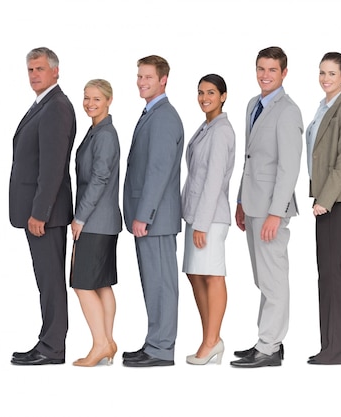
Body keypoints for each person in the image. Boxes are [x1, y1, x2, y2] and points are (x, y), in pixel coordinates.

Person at [230, 46, 303, 368]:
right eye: (261, 68)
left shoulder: (288, 111)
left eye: (272, 70)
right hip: (254, 203)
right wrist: (242, 201)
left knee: (274, 279)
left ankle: (270, 347)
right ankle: (266, 339)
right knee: (262, 278)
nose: (265, 75)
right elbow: (249, 159)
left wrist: (276, 212)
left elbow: (289, 166)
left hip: (273, 208)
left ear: (284, 73)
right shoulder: (252, 105)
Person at [10, 47, 76, 365]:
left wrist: (40, 212)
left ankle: (52, 348)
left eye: (39, 69)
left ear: (55, 71)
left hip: (45, 216)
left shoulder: (56, 107)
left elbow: (52, 167)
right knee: (46, 280)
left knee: (50, 281)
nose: (34, 75)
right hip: (39, 212)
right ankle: (48, 341)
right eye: (30, 70)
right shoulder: (43, 105)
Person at [122, 55, 184, 367]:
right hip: (151, 218)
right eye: (139, 76)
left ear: (163, 80)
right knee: (153, 283)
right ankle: (153, 342)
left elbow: (158, 171)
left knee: (162, 284)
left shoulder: (163, 117)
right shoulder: (152, 113)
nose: (142, 82)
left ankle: (161, 349)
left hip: (155, 219)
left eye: (148, 77)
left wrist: (143, 215)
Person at [305, 52, 341, 365]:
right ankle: (330, 344)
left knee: (333, 271)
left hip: (336, 199)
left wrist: (325, 199)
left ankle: (337, 349)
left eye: (332, 73)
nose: (326, 78)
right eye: (323, 73)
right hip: (323, 198)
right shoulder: (323, 106)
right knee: (327, 271)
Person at [182, 74, 235, 365]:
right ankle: (210, 338)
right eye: (201, 92)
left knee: (212, 274)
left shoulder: (222, 130)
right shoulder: (206, 126)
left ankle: (212, 340)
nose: (205, 98)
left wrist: (201, 223)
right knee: (195, 273)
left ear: (223, 96)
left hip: (211, 217)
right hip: (196, 214)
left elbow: (214, 180)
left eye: (211, 92)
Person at [70, 79, 122, 367]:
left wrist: (80, 218)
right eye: (87, 98)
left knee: (82, 283)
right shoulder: (96, 131)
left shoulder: (105, 135)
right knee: (101, 284)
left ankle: (100, 343)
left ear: (109, 100)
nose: (90, 103)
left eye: (96, 99)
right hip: (103, 222)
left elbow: (100, 179)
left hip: (95, 221)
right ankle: (108, 342)